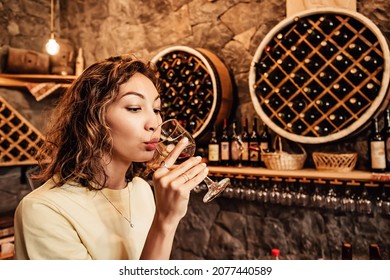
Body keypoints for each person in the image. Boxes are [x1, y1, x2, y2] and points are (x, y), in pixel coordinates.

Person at [13, 55, 209, 260]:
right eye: (134, 108)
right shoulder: (43, 211)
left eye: (157, 109)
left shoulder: (142, 190)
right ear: (93, 118)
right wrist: (165, 222)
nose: (155, 122)